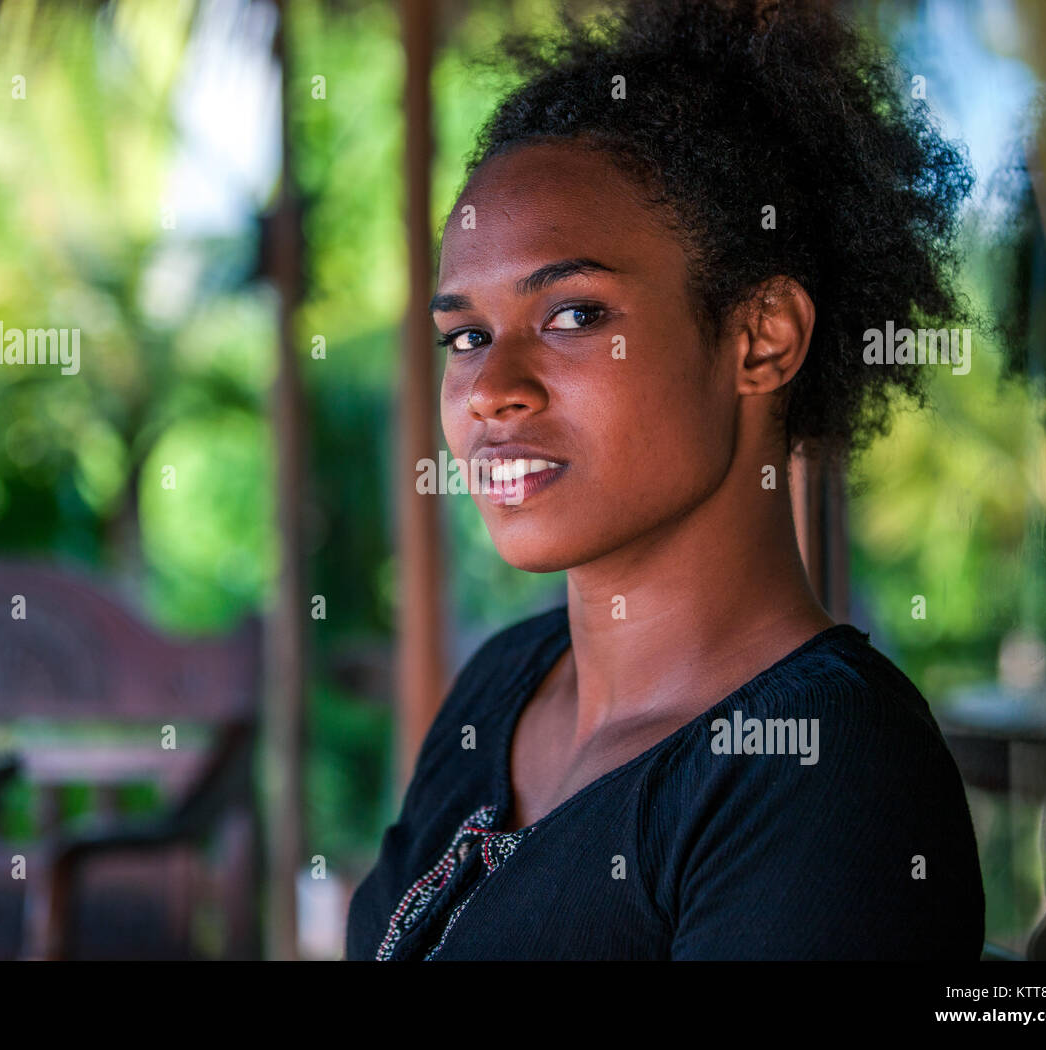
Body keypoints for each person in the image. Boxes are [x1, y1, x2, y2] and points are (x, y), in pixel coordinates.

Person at [346, 0, 985, 960]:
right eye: (466, 336)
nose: (491, 390)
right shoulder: (500, 690)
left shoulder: (823, 772)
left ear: (762, 338)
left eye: (571, 315)